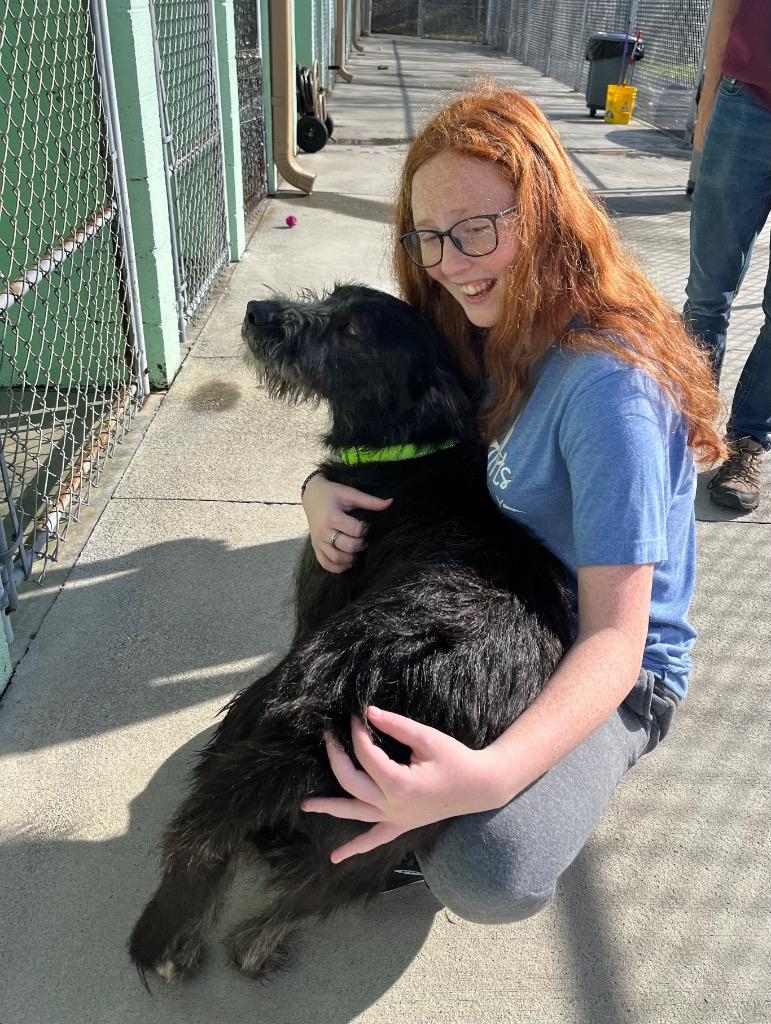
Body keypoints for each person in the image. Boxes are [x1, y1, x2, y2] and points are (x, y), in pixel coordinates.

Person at [299, 87, 724, 924]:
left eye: (476, 228)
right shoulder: (476, 320)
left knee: (488, 869)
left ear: (545, 213)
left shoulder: (607, 388)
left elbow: (616, 638)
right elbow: (391, 447)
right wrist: (316, 491)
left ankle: (507, 789)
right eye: (428, 236)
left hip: (610, 659)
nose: (450, 261)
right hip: (501, 599)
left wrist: (489, 776)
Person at [683, 0, 771, 512]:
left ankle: (748, 441)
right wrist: (709, 107)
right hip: (746, 106)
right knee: (707, 293)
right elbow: (727, 8)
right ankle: (687, 428)